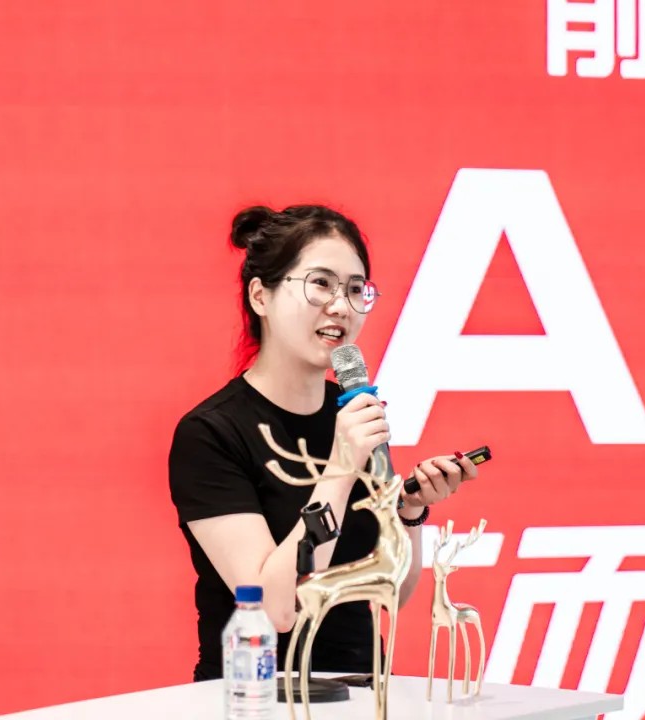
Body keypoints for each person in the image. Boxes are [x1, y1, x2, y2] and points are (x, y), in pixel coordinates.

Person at [168, 204, 480, 681]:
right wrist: (341, 465)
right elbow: (277, 609)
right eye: (321, 284)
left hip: (361, 691)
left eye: (355, 289)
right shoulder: (211, 434)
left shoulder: (354, 412)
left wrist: (411, 510)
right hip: (256, 696)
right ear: (260, 296)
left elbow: (392, 591)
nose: (341, 307)